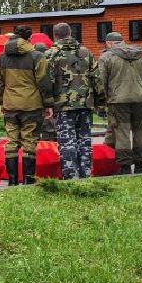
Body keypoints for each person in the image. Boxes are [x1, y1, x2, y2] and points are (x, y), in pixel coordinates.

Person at [95, 31, 142, 174]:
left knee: (122, 132)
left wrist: (100, 104)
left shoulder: (106, 57)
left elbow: (100, 83)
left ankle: (125, 168)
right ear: (122, 41)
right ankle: (139, 166)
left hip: (118, 101)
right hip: (141, 100)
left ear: (109, 43)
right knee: (141, 131)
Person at [0, 25, 49, 184]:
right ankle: (28, 179)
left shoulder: (2, 57)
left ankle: (11, 180)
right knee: (29, 140)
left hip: (10, 104)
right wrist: (48, 104)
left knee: (11, 140)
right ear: (29, 38)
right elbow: (43, 82)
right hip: (32, 104)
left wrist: (1, 101)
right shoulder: (37, 56)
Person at [44, 23, 95, 180]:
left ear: (55, 35)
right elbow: (96, 78)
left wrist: (47, 104)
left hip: (62, 105)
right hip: (85, 104)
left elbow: (46, 81)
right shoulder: (86, 52)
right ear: (70, 33)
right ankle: (86, 173)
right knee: (84, 140)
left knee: (67, 141)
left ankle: (71, 176)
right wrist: (99, 101)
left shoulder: (51, 54)